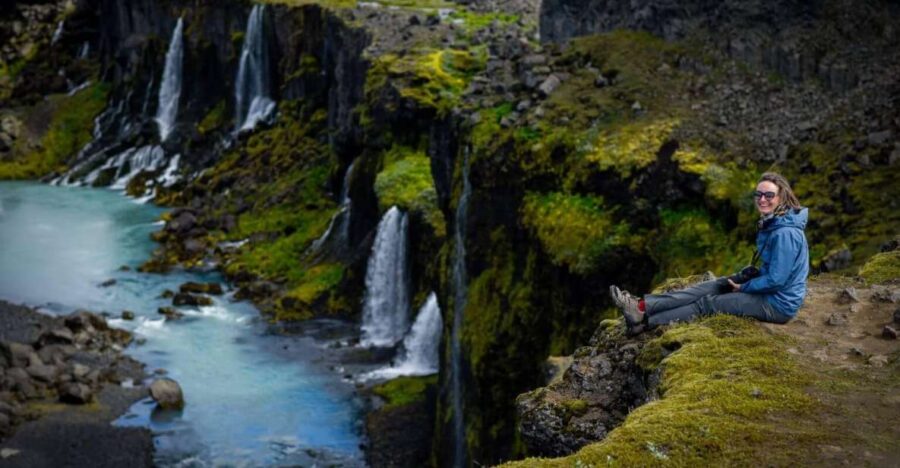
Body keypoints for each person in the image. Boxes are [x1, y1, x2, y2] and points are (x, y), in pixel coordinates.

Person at [610, 172, 809, 332]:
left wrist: (744, 288)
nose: (762, 199)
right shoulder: (776, 222)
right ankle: (641, 307)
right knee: (712, 286)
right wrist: (747, 276)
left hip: (778, 304)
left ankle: (644, 323)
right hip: (770, 291)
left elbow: (777, 279)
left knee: (709, 303)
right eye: (758, 194)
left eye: (769, 195)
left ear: (781, 196)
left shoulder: (785, 233)